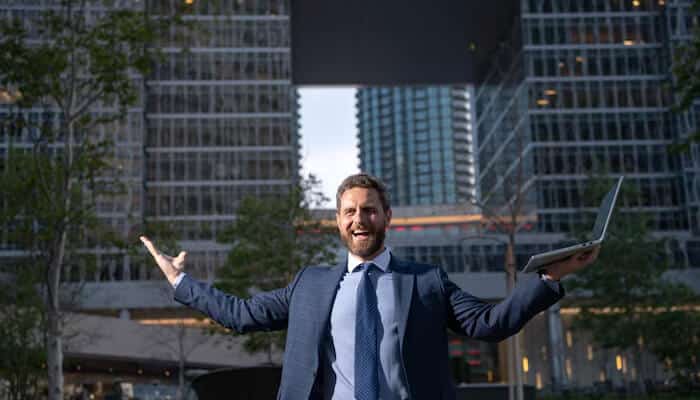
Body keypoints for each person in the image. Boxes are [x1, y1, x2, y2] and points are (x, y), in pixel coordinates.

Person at [141, 173, 598, 400]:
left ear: (386, 217)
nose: (359, 219)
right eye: (350, 212)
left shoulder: (425, 281)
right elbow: (240, 315)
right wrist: (180, 280)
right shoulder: (310, 284)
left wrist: (550, 277)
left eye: (369, 210)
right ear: (338, 222)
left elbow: (489, 323)